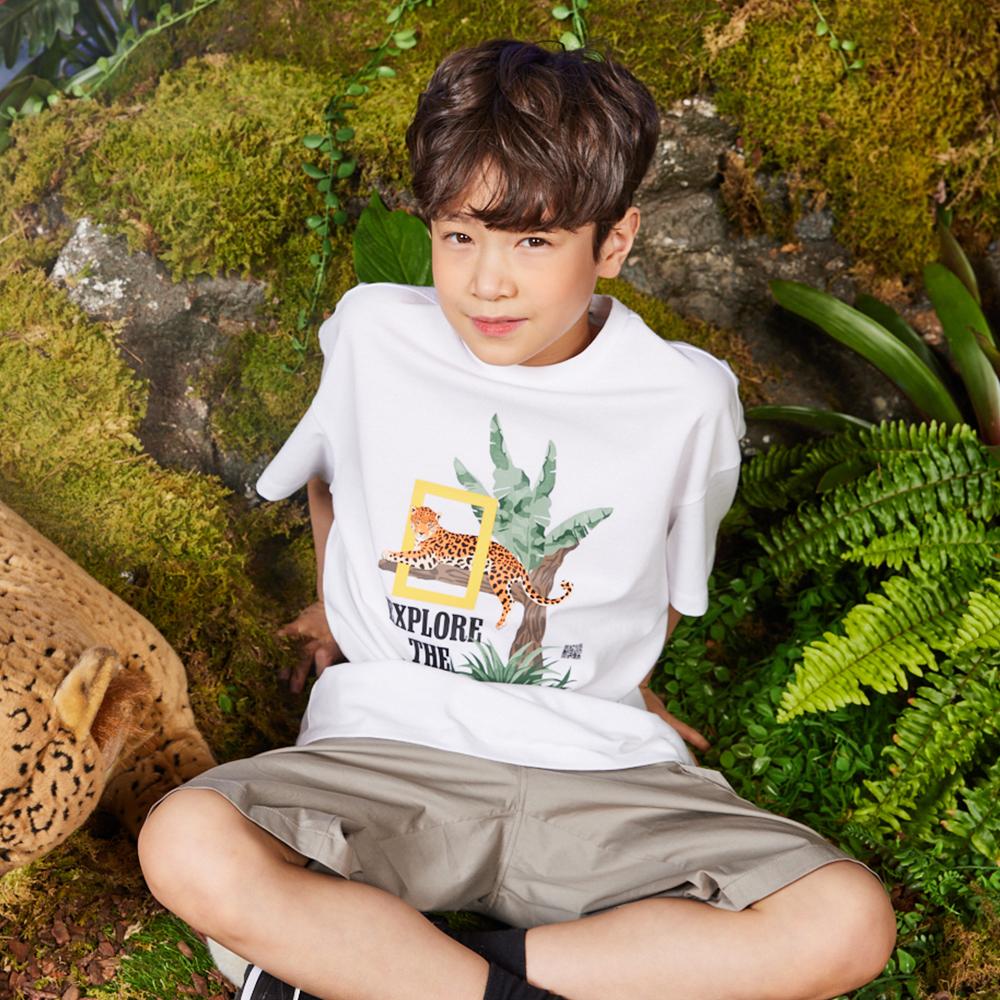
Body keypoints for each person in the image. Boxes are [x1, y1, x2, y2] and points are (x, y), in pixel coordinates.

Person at [137, 39, 897, 1000]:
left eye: (533, 242)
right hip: (386, 755)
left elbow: (667, 573)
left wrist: (625, 681)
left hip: (605, 777)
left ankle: (383, 971)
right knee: (187, 841)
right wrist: (338, 607)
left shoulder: (687, 397)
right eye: (460, 236)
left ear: (613, 242)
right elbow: (331, 473)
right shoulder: (372, 333)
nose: (486, 283)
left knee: (847, 921)